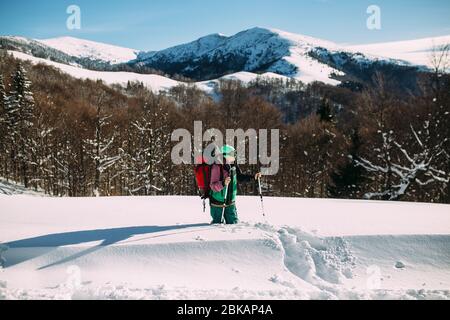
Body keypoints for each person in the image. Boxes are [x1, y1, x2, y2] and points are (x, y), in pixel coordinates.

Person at [209, 145, 262, 224]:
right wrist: (223, 183)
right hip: (218, 202)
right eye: (232, 154)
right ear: (225, 155)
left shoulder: (233, 165)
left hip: (230, 200)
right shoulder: (216, 167)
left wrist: (253, 177)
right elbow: (213, 186)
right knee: (217, 225)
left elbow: (240, 177)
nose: (234, 156)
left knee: (233, 224)